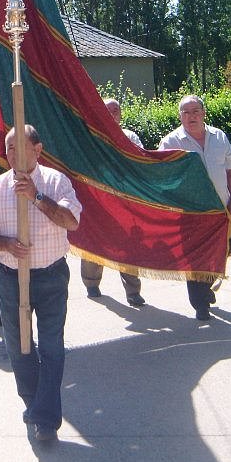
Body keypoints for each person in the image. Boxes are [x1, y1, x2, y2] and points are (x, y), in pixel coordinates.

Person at [0, 125, 82, 443]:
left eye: (21, 146)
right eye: (8, 148)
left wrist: (35, 196)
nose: (14, 153)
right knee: (19, 348)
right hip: (10, 279)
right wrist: (5, 243)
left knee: (51, 348)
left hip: (50, 276)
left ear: (37, 149)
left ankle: (45, 420)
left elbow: (71, 221)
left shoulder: (55, 181)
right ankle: (33, 404)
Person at [159, 94, 231, 321]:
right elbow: (164, 179)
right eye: (186, 112)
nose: (191, 116)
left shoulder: (219, 137)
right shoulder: (170, 142)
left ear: (203, 113)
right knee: (196, 258)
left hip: (221, 211)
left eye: (195, 111)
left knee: (224, 250)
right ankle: (200, 305)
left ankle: (205, 289)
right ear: (180, 116)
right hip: (191, 214)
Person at [81, 98, 146, 307]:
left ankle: (133, 291)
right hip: (98, 200)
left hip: (125, 200)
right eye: (107, 111)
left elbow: (139, 162)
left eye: (115, 111)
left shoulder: (131, 136)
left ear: (121, 114)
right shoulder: (90, 136)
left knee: (129, 244)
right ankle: (91, 283)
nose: (112, 114)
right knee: (94, 240)